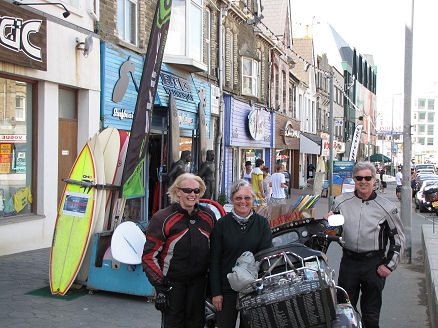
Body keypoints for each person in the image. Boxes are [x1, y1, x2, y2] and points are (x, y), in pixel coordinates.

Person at [324, 161, 405, 328]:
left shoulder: (387, 207)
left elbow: (399, 239)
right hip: (349, 262)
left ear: (374, 180)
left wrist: (389, 266)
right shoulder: (340, 201)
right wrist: (327, 223)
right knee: (345, 312)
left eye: (368, 178)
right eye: (359, 178)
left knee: (371, 314)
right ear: (354, 179)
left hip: (373, 264)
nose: (363, 181)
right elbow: (333, 231)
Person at [142, 173, 216, 328]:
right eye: (188, 190)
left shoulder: (208, 216)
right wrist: (160, 287)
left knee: (196, 324)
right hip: (172, 285)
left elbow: (215, 251)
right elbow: (149, 256)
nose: (192, 194)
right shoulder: (162, 218)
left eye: (196, 191)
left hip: (199, 285)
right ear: (178, 192)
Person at [210, 179, 272, 328]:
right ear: (232, 199)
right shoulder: (221, 225)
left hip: (253, 288)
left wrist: (264, 289)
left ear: (252, 200)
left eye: (247, 198)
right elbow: (214, 260)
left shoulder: (262, 224)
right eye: (238, 198)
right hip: (226, 290)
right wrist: (216, 292)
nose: (242, 202)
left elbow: (266, 258)